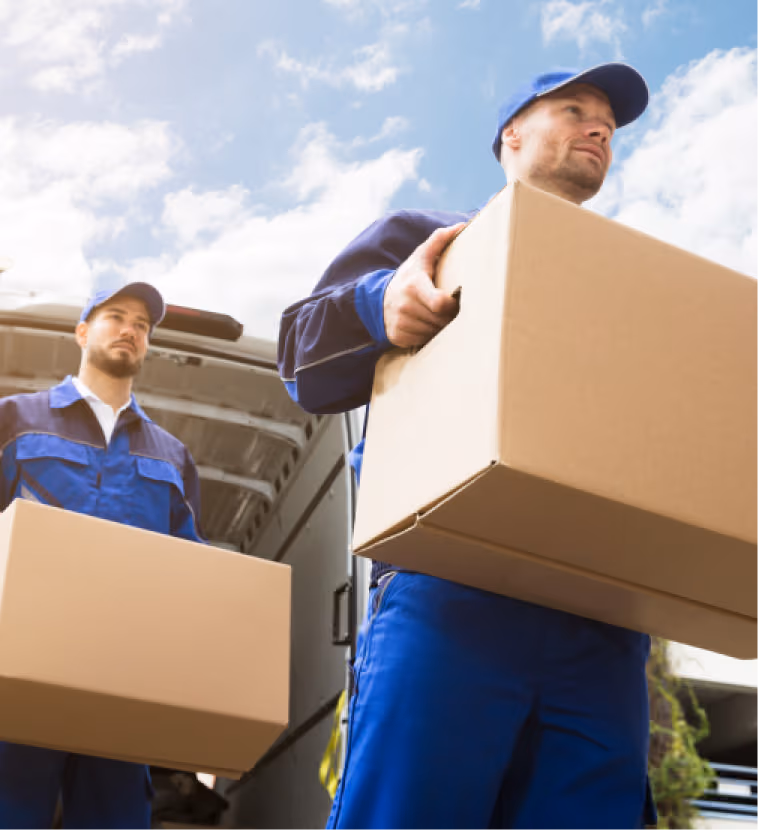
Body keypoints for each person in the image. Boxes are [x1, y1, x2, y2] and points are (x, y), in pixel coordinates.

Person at [279, 63, 659, 830]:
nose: (598, 129)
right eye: (577, 109)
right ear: (510, 135)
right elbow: (299, 362)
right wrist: (376, 304)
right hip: (451, 590)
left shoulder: (639, 291)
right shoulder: (427, 240)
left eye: (609, 128)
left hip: (605, 621)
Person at [0, 281, 204, 829]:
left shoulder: (172, 456)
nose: (131, 330)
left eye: (142, 324)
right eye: (116, 316)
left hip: (121, 675)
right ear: (83, 331)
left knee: (115, 820)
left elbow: (193, 573)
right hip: (23, 664)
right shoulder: (16, 419)